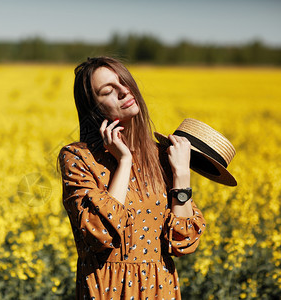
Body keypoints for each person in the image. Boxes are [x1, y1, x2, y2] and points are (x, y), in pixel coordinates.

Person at [58, 57, 206, 299]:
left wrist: (181, 174)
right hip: (107, 290)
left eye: (123, 82)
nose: (123, 91)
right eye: (108, 91)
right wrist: (124, 161)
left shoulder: (161, 155)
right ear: (94, 110)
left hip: (161, 289)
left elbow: (183, 241)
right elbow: (100, 233)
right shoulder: (78, 158)